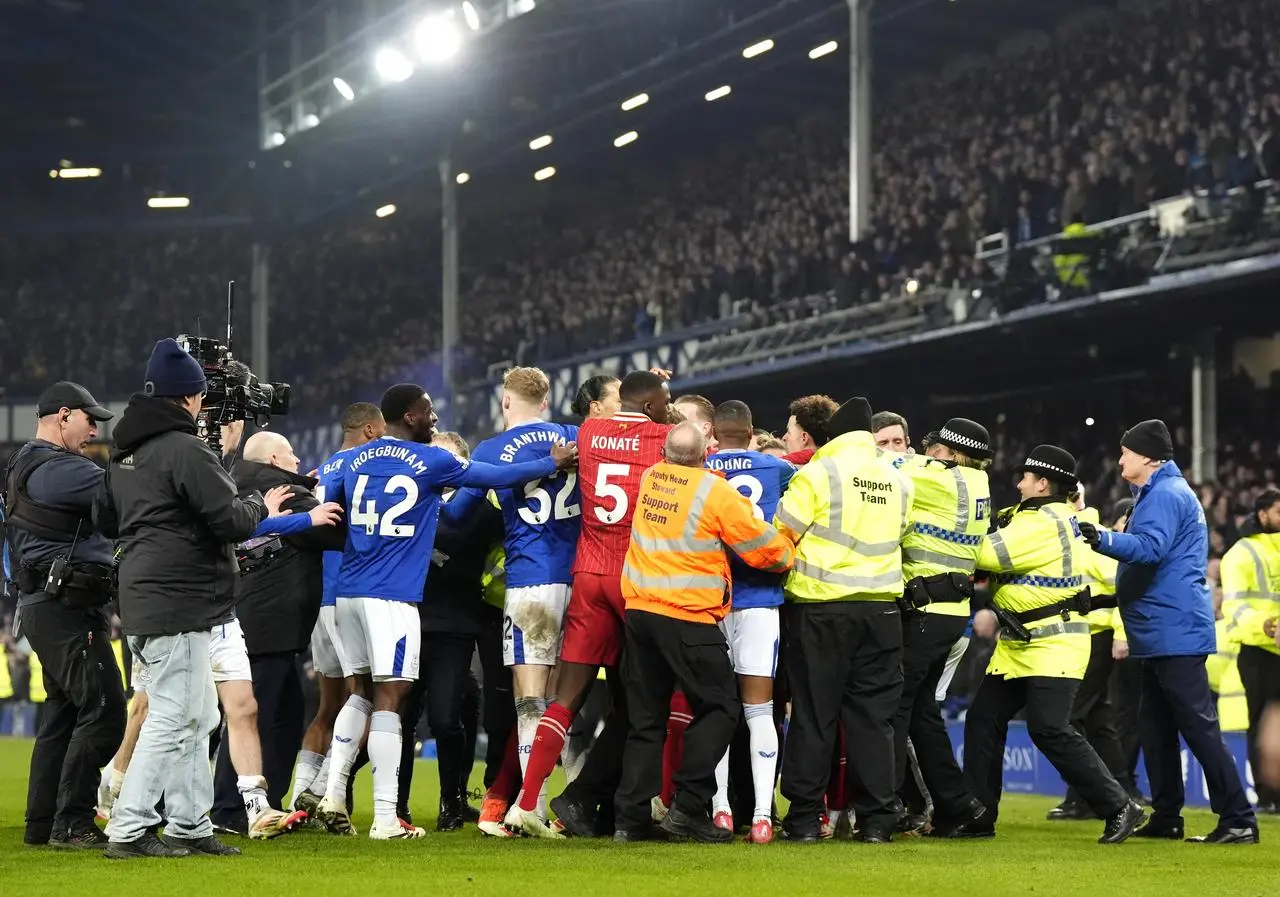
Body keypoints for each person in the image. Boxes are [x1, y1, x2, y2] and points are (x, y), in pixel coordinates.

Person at [312, 383, 575, 840]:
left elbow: (325, 506)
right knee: (392, 701)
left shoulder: (354, 459)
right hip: (391, 597)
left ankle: (332, 793)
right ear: (410, 416)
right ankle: (386, 818)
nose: (434, 417)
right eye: (429, 410)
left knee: (360, 694)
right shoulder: (433, 460)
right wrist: (548, 463)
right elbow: (492, 477)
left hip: (346, 594)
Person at [95, 339, 292, 858]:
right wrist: (256, 503)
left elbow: (104, 519)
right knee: (170, 715)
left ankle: (188, 824)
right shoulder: (184, 448)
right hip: (179, 600)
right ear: (190, 398)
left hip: (147, 596)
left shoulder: (123, 453)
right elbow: (228, 518)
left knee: (200, 716)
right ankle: (130, 828)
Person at [505, 369, 671, 838]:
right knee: (644, 698)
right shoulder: (662, 437)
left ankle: (527, 802)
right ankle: (648, 802)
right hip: (636, 578)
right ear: (655, 405)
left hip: (589, 574)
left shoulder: (589, 432)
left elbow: (565, 450)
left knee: (565, 698)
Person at [614, 422, 794, 842]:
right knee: (721, 708)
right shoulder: (714, 492)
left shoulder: (652, 476)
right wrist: (787, 548)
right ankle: (689, 808)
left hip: (640, 613)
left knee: (645, 721)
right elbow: (764, 550)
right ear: (703, 456)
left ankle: (630, 821)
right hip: (688, 615)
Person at [1082, 420, 1258, 844]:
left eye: (1125, 452)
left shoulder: (1163, 495)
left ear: (1146, 456)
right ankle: (1167, 816)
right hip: (1162, 629)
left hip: (1174, 629)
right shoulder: (1160, 493)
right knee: (1156, 726)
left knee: (1197, 726)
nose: (1120, 459)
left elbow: (1150, 549)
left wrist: (1102, 538)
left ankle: (1238, 818)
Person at [959, 444, 1144, 844]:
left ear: (1043, 484)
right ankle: (978, 814)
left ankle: (1119, 804)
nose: (1019, 484)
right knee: (983, 719)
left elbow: (986, 554)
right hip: (1021, 644)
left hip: (1052, 643)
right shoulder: (1046, 517)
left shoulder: (1043, 522)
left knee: (1050, 729)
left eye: (1025, 478)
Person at [773, 397, 911, 843]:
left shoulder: (818, 473)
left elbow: (781, 533)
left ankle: (804, 820)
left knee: (815, 716)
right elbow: (901, 531)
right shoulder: (897, 479)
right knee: (874, 721)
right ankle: (876, 822)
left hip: (821, 609)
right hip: (883, 611)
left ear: (831, 437)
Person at [454, 368, 581, 832]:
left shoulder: (491, 450)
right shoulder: (573, 436)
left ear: (506, 401)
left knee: (530, 702)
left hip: (529, 582)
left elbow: (458, 517)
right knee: (569, 702)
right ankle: (575, 805)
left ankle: (533, 805)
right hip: (581, 583)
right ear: (545, 402)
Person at [209, 430, 348, 833]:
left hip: (251, 621)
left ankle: (263, 806)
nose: (299, 463)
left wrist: (310, 486)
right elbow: (333, 531)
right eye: (292, 456)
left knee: (281, 714)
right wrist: (318, 491)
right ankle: (230, 811)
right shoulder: (283, 490)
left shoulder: (237, 484)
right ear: (273, 459)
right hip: (268, 626)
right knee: (255, 717)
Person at [5, 382, 124, 848]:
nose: (95, 430)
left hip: (47, 603)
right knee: (104, 708)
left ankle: (42, 823)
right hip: (66, 607)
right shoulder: (61, 469)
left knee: (65, 713)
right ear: (63, 416)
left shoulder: (26, 462)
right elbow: (123, 493)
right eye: (88, 420)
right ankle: (71, 822)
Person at [888, 418, 991, 836]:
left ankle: (888, 807)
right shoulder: (976, 483)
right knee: (921, 715)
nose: (929, 454)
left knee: (892, 708)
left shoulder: (942, 478)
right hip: (950, 613)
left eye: (936, 449)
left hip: (926, 612)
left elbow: (886, 466)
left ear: (949, 453)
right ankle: (960, 807)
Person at [704, 400, 795, 843]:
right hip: (761, 601)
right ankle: (761, 816)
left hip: (713, 601)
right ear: (753, 429)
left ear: (715, 434)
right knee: (760, 711)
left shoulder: (701, 469)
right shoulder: (775, 468)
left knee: (719, 709)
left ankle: (721, 808)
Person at [289, 402, 386, 815]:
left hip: (320, 602)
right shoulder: (367, 467)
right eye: (381, 431)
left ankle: (297, 797)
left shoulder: (321, 472)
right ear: (368, 430)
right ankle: (328, 788)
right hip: (351, 596)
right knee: (367, 699)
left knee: (328, 707)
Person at [406, 431, 503, 830]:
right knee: (403, 720)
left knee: (446, 720)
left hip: (455, 627)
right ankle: (396, 806)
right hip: (408, 622)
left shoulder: (481, 510)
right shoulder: (411, 500)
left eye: (447, 461)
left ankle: (452, 802)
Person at [1048, 494, 1132, 820]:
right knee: (1097, 720)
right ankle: (1120, 790)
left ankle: (1084, 797)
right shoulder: (1076, 534)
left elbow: (1124, 584)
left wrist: (1122, 635)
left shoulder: (1087, 535)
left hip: (1097, 637)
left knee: (1071, 718)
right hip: (1083, 636)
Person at [1217, 486, 1280, 814]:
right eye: (1279, 512)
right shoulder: (1240, 553)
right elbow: (1235, 608)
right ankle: (1269, 795)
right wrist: (1268, 626)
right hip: (1258, 651)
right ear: (1262, 514)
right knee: (1261, 722)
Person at [781, 394, 838, 465]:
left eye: (789, 432)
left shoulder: (803, 473)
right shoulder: (842, 462)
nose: (784, 438)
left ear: (804, 438)